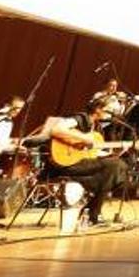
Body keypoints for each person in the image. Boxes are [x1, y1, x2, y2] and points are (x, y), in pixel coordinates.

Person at [47, 97, 131, 229]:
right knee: (115, 166)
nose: (111, 113)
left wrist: (118, 151)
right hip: (65, 163)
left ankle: (91, 213)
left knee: (121, 167)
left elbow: (92, 153)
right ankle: (92, 212)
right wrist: (84, 138)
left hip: (81, 162)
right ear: (98, 109)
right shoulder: (81, 118)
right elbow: (56, 130)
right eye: (108, 110)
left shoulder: (97, 128)